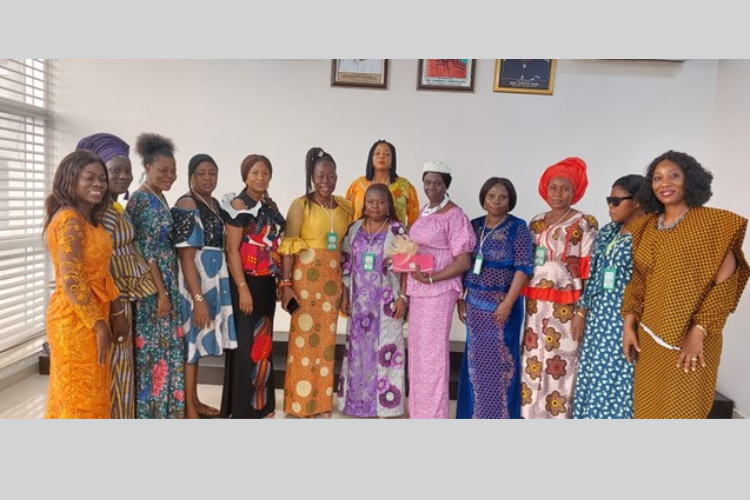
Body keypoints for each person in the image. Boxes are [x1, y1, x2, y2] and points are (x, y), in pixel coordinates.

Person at [622, 151, 749, 419]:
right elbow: (638, 280)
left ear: (690, 180)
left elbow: (726, 284)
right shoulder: (645, 227)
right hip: (650, 337)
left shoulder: (713, 223)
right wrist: (628, 325)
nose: (664, 183)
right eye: (657, 178)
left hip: (692, 341)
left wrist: (698, 331)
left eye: (673, 176)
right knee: (648, 409)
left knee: (683, 411)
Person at [75, 133, 157, 419]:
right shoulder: (94, 214)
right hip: (111, 300)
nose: (123, 176)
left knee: (122, 368)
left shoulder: (113, 207)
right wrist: (117, 309)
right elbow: (101, 263)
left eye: (127, 170)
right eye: (115, 171)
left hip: (124, 296)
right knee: (113, 368)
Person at [43, 150, 120, 418]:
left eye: (102, 178)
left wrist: (112, 312)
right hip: (77, 319)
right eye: (89, 178)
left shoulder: (88, 219)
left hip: (93, 312)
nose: (98, 184)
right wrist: (98, 324)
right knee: (80, 395)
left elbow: (101, 272)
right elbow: (71, 279)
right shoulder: (70, 219)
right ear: (70, 179)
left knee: (89, 391)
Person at [520, 157, 598, 419]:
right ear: (545, 189)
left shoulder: (585, 222)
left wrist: (582, 312)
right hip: (536, 306)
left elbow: (590, 272)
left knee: (562, 362)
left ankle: (558, 416)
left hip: (568, 307)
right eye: (553, 188)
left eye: (565, 188)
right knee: (534, 359)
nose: (558, 194)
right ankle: (531, 414)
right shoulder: (536, 222)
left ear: (575, 191)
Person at [278, 147, 353, 418]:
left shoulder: (344, 206)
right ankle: (300, 403)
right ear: (312, 176)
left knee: (326, 342)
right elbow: (288, 246)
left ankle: (321, 402)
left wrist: (344, 284)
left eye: (331, 176)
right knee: (302, 341)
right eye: (321, 175)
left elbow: (345, 247)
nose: (326, 181)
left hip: (331, 281)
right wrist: (286, 284)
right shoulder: (300, 205)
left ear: (336, 177)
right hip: (304, 280)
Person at [456, 178, 533, 419]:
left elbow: (523, 267)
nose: (496, 202)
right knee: (475, 364)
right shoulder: (474, 225)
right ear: (483, 198)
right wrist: (461, 299)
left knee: (501, 364)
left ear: (510, 200)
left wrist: (508, 303)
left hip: (503, 306)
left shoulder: (518, 227)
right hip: (475, 304)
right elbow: (463, 263)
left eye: (502, 197)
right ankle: (473, 415)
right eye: (491, 196)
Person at [571, 174, 646, 419]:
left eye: (616, 201)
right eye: (609, 199)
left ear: (636, 201)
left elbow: (646, 282)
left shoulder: (649, 235)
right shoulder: (608, 232)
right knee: (593, 375)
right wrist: (581, 311)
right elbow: (592, 275)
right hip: (597, 319)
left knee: (618, 380)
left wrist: (632, 323)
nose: (610, 206)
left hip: (624, 319)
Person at [407, 161, 476, 419]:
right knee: (417, 351)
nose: (431, 187)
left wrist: (433, 278)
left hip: (439, 290)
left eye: (437, 183)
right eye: (427, 182)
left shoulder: (454, 215)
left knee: (433, 354)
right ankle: (418, 410)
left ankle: (433, 414)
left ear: (446, 184)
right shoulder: (424, 211)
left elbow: (463, 260)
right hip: (419, 289)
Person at [172, 154, 237, 419]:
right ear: (190, 176)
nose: (208, 178)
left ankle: (195, 400)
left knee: (197, 345)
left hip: (214, 278)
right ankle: (189, 409)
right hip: (195, 281)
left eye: (212, 173)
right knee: (191, 343)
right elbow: (186, 256)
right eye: (201, 173)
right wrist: (197, 298)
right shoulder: (188, 204)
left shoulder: (212, 204)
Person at [221, 154, 285, 419]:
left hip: (266, 283)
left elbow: (277, 246)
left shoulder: (268, 205)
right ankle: (243, 408)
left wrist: (281, 280)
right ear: (245, 175)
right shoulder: (238, 205)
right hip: (246, 283)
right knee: (248, 344)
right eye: (255, 173)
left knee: (264, 342)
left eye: (265, 173)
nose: (260, 178)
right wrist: (242, 288)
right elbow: (232, 250)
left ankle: (263, 404)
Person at [127, 133, 184, 419]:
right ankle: (151, 413)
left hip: (167, 282)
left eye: (173, 171)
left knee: (166, 346)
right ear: (148, 167)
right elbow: (144, 252)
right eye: (163, 170)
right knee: (152, 351)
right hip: (152, 287)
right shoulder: (139, 202)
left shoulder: (159, 197)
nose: (170, 176)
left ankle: (167, 410)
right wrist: (160, 292)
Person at [338, 184, 408, 418]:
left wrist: (403, 298)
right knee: (358, 352)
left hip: (387, 305)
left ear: (388, 205)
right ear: (364, 204)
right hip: (360, 304)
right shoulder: (355, 229)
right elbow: (346, 263)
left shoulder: (398, 231)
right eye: (370, 201)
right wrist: (345, 294)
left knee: (386, 352)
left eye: (380, 202)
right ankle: (357, 402)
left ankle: (386, 406)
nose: (375, 206)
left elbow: (406, 268)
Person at [345, 140, 420, 228]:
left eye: (387, 154)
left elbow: (415, 218)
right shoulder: (358, 184)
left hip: (394, 238)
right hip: (360, 238)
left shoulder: (405, 186)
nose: (381, 156)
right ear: (371, 158)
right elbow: (346, 213)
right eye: (377, 153)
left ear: (393, 160)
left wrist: (405, 236)